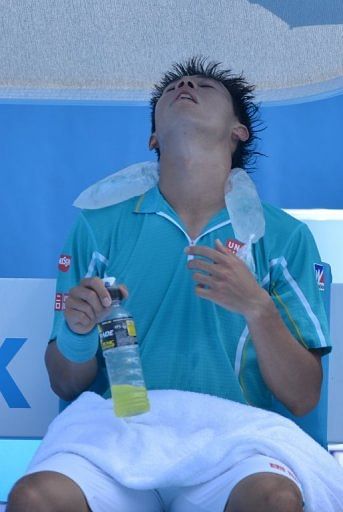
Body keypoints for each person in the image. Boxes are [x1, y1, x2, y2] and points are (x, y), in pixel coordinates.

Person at [7, 56, 331, 512]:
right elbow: (65, 382)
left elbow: (303, 396)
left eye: (205, 85)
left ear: (240, 131)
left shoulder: (282, 238)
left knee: (274, 500)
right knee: (35, 499)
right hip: (119, 435)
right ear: (154, 136)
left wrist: (258, 308)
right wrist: (79, 334)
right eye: (175, 85)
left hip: (235, 444)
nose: (186, 85)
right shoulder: (98, 227)